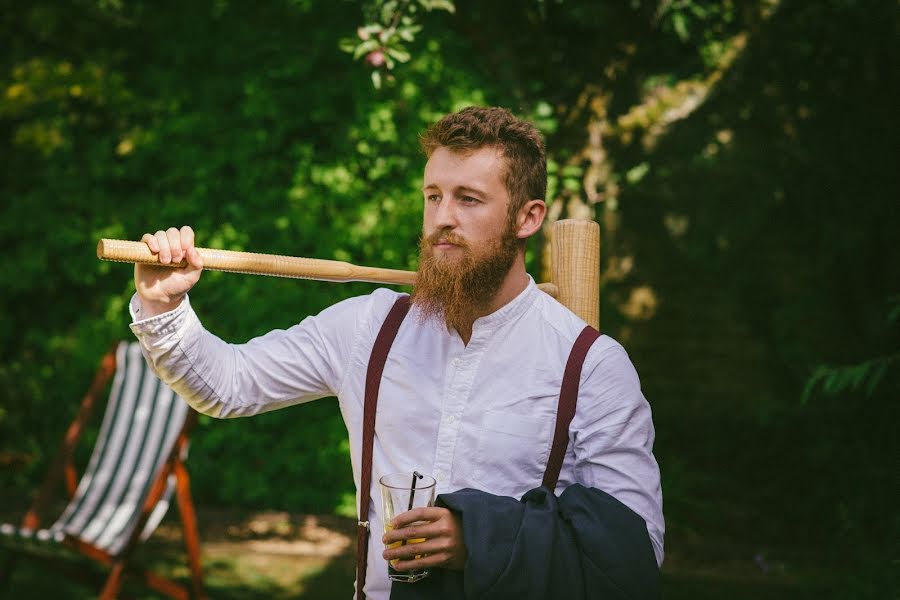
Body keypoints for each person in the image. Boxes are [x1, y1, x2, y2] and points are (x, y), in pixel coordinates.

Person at [129, 106, 664, 599]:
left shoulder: (590, 365)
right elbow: (227, 385)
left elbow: (636, 552)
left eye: (468, 199)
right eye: (434, 196)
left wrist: (475, 538)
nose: (442, 218)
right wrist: (163, 305)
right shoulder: (370, 327)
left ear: (527, 218)